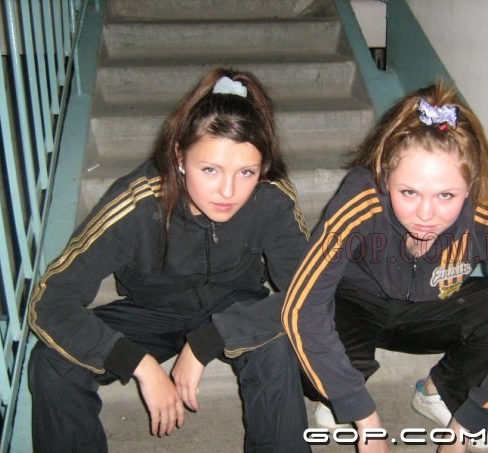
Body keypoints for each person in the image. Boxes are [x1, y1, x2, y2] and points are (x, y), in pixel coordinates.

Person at [27, 68, 311, 453]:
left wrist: (211, 339)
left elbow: (309, 291)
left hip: (233, 304)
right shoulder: (136, 203)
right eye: (210, 170)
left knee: (275, 344)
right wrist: (139, 364)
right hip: (152, 311)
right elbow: (51, 302)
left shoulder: (271, 197)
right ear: (179, 156)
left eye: (246, 172)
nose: (228, 191)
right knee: (52, 362)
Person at [278, 81, 488, 452]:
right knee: (299, 352)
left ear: (471, 186)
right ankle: (339, 396)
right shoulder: (362, 194)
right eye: (408, 192)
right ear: (384, 177)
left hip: (434, 306)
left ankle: (437, 391)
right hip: (357, 300)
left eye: (446, 195)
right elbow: (300, 308)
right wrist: (361, 413)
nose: (426, 214)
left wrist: (467, 425)